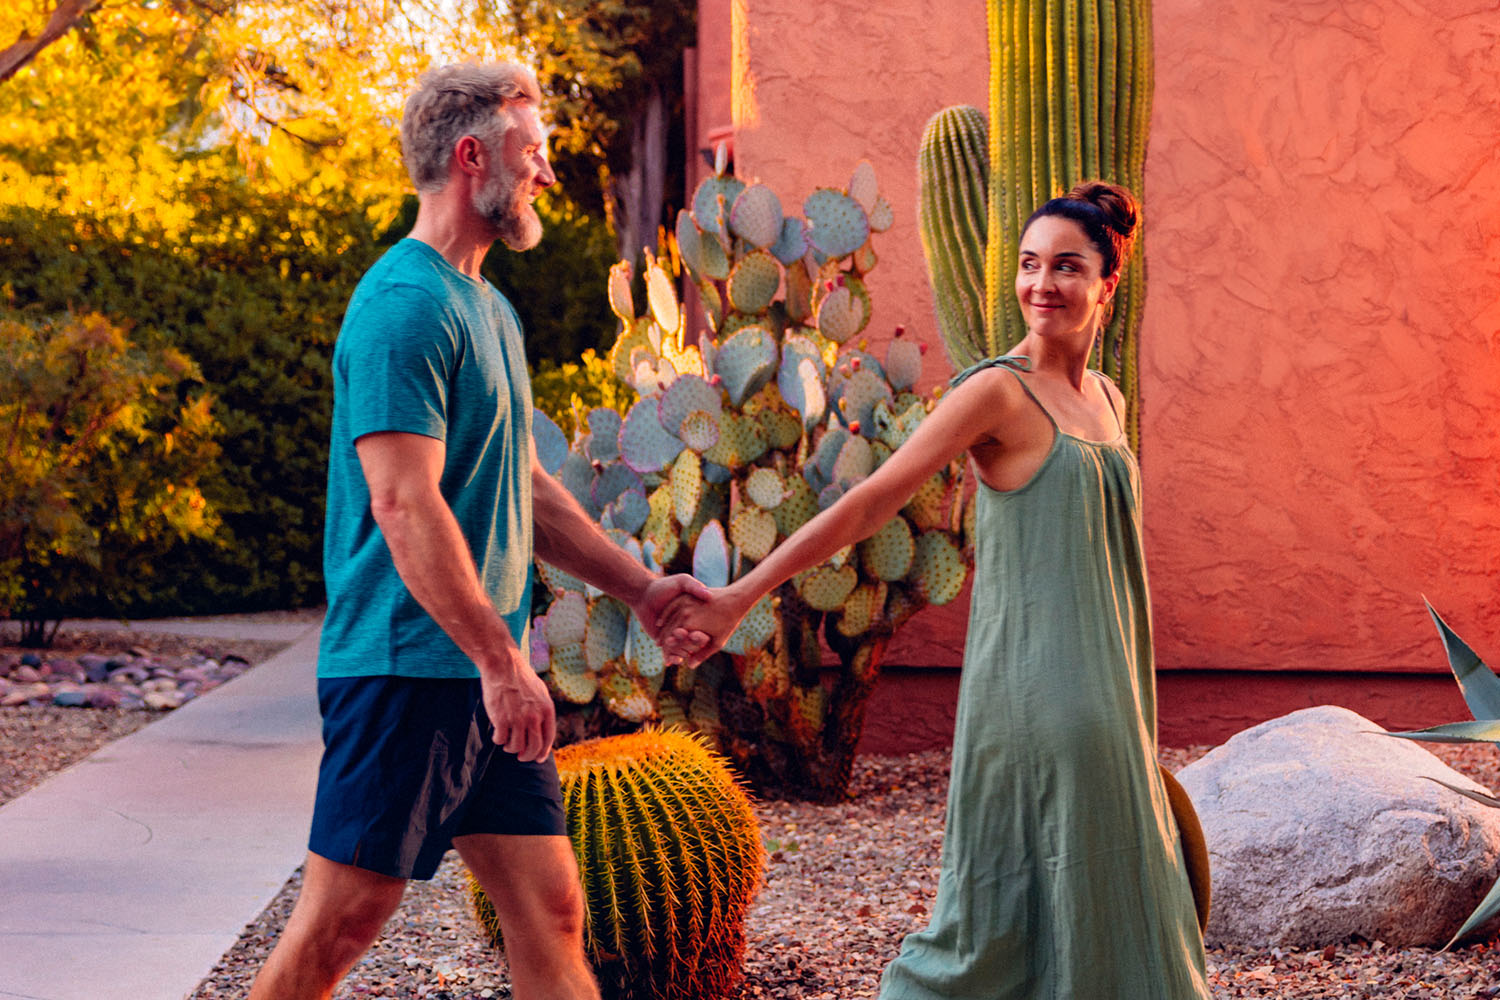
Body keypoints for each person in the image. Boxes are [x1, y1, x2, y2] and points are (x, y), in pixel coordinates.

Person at [659, 182, 1211, 998]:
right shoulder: (997, 392)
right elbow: (870, 501)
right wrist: (742, 594)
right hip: (1040, 691)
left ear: (1108, 282)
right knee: (1007, 913)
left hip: (1115, 687)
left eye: (1067, 266)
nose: (1042, 284)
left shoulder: (1105, 399)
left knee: (1103, 891)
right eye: (1029, 264)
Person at [248, 62, 708, 1000]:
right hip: (408, 669)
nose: (546, 172)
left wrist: (640, 590)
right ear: (472, 157)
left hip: (485, 675)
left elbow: (523, 488)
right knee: (341, 924)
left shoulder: (488, 307)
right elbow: (402, 503)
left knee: (551, 911)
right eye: (531, 151)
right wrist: (500, 661)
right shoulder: (403, 306)